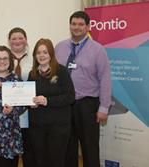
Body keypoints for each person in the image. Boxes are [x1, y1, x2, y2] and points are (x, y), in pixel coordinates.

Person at [55, 11, 112, 167]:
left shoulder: (98, 50)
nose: (76, 27)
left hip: (87, 105)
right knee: (67, 147)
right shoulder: (59, 47)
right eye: (73, 24)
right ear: (70, 26)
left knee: (89, 148)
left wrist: (104, 107)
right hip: (65, 105)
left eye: (81, 24)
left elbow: (105, 79)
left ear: (88, 27)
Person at [28, 38, 75, 167]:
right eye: (38, 52)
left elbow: (70, 96)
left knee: (56, 161)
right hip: (37, 127)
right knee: (40, 161)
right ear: (35, 55)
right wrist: (30, 102)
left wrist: (47, 101)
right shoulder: (32, 74)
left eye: (45, 52)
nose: (41, 55)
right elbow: (29, 96)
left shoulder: (61, 71)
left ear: (51, 54)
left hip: (58, 127)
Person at [8, 27, 34, 167]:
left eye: (20, 38)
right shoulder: (3, 58)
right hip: (9, 111)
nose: (17, 41)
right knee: (11, 150)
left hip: (30, 110)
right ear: (9, 41)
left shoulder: (35, 57)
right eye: (13, 38)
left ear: (26, 40)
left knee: (29, 149)